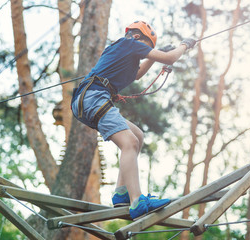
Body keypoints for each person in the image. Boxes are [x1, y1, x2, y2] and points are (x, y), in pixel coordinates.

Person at [71, 20, 196, 220]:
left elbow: (137, 75)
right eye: (146, 48)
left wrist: (153, 57)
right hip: (94, 97)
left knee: (137, 135)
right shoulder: (129, 43)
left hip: (91, 99)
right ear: (137, 37)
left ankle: (121, 193)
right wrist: (185, 45)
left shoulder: (125, 51)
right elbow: (171, 58)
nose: (145, 53)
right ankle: (137, 200)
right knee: (130, 142)